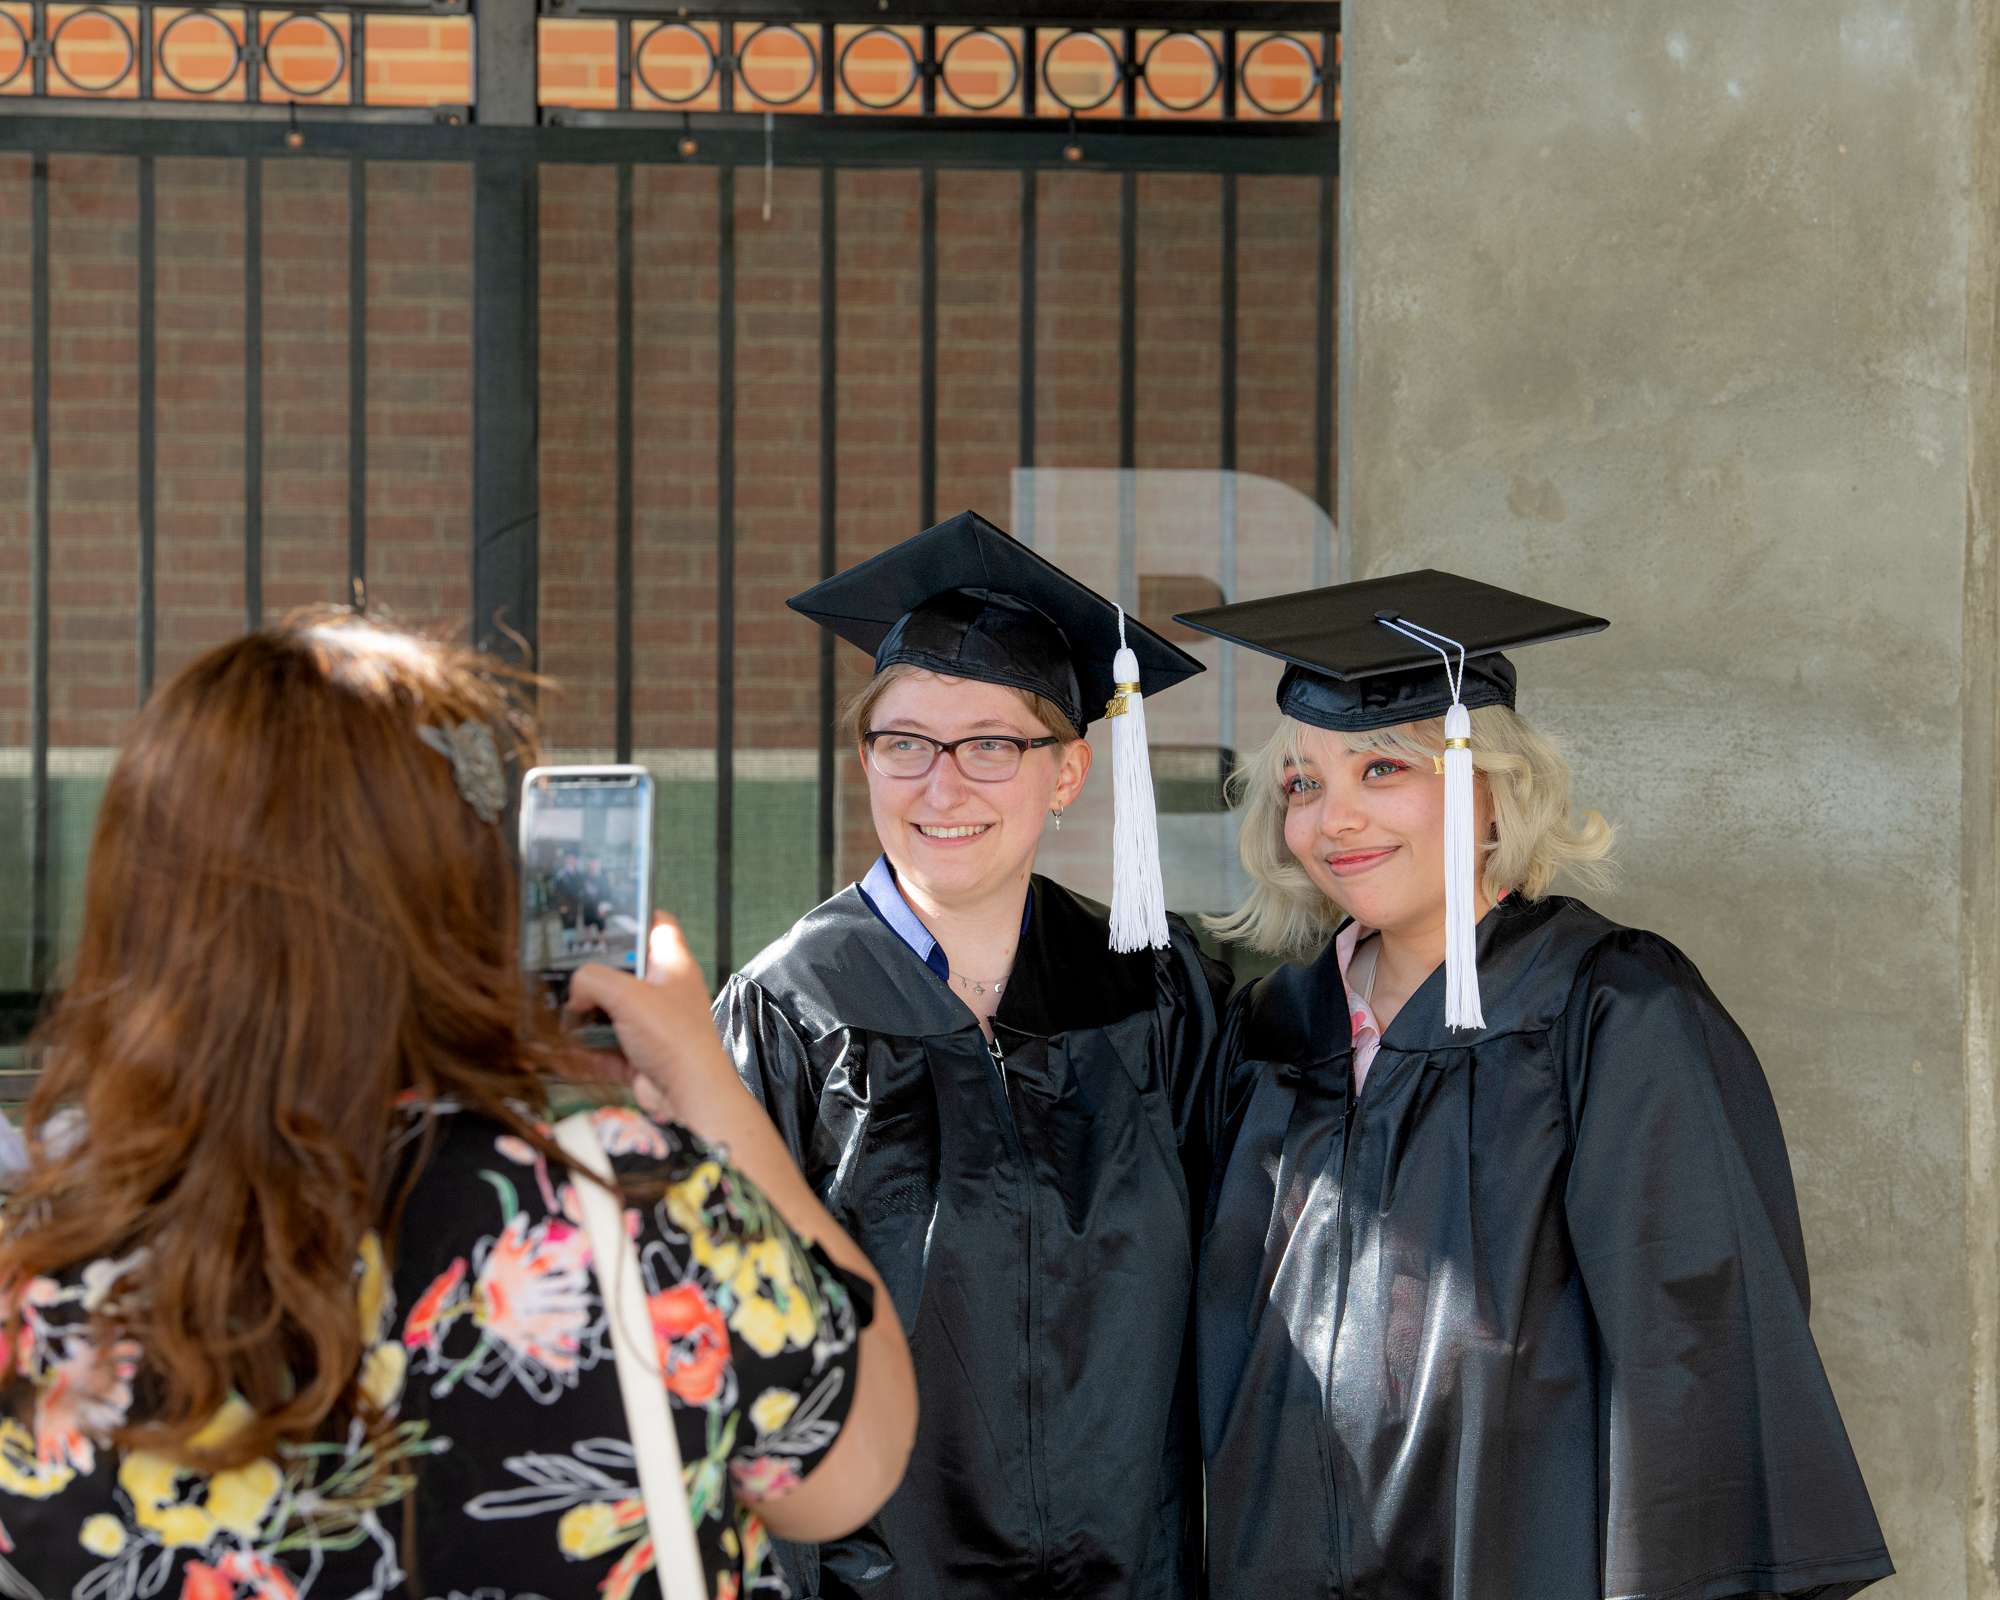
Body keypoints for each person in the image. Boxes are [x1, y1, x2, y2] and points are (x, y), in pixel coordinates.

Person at [0, 615, 916, 1600]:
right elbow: (847, 1475)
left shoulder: (50, 1289)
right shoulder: (632, 1201)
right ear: (476, 892)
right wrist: (701, 1082)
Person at [1176, 570, 1892, 1600]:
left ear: (1488, 783)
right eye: (1301, 783)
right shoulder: (1271, 1032)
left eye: (1381, 768)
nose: (1333, 820)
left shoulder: (1608, 1011)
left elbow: (1692, 1361)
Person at [715, 511, 1232, 1599]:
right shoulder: (790, 1010)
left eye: (991, 744)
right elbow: (734, 1362)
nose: (940, 786)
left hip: (1131, 1575)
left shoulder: (1156, 990)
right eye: (903, 743)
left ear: (1067, 771)